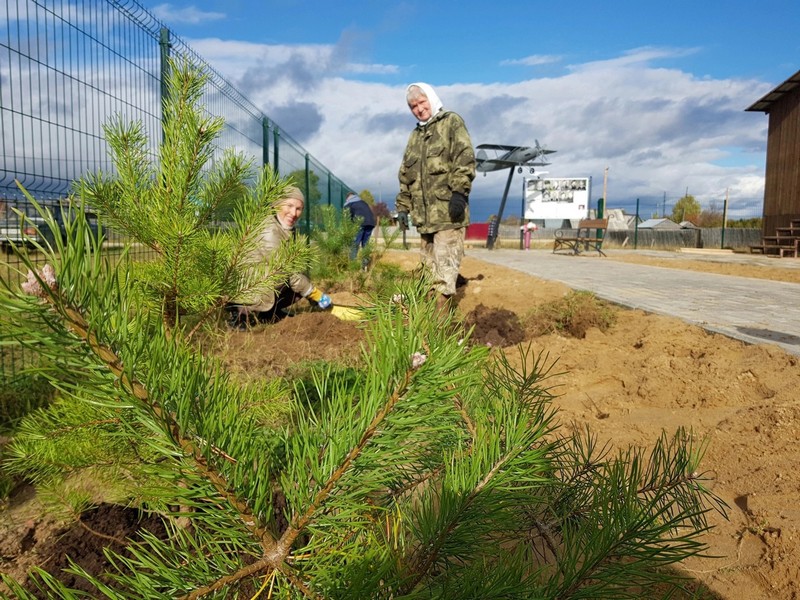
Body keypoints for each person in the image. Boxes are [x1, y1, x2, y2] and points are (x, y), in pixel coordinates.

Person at [396, 82, 475, 311]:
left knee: (443, 275)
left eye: (422, 102)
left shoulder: (451, 122)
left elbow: (464, 157)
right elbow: (406, 175)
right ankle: (428, 323)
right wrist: (403, 207)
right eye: (413, 106)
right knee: (427, 275)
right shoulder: (415, 137)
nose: (419, 109)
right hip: (425, 220)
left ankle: (441, 330)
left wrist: (460, 193)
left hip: (449, 213)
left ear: (431, 98)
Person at [225, 186, 332, 330]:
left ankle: (268, 312)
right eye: (289, 206)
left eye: (299, 208)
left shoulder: (283, 227)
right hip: (245, 285)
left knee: (299, 278)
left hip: (260, 278)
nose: (294, 213)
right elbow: (284, 269)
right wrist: (314, 294)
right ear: (277, 204)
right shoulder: (269, 229)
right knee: (289, 277)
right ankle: (240, 313)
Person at [344, 191, 376, 268]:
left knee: (355, 244)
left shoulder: (349, 203)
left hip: (359, 223)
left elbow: (347, 218)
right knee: (365, 244)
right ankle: (364, 266)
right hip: (370, 223)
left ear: (348, 197)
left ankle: (353, 266)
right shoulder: (362, 202)